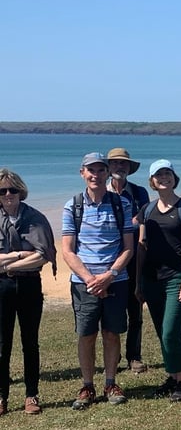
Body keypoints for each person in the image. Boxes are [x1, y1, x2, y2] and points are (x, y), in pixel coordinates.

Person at [61, 152, 133, 410]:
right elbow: (68, 250)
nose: (95, 175)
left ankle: (111, 382)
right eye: (90, 170)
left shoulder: (121, 204)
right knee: (87, 334)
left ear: (107, 173)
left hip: (116, 279)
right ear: (82, 173)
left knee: (112, 333)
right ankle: (87, 385)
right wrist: (92, 280)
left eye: (100, 170)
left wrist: (109, 276)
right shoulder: (73, 206)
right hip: (84, 283)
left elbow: (128, 248)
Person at [135, 160, 181, 402]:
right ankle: (172, 377)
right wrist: (138, 283)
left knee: (172, 331)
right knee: (162, 333)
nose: (164, 177)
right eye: (158, 174)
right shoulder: (147, 211)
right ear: (152, 181)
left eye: (168, 173)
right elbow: (142, 246)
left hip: (177, 278)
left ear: (174, 178)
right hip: (152, 280)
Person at [0, 169, 56, 416]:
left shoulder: (36, 217)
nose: (8, 194)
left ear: (21, 191)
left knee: (30, 342)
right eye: (2, 190)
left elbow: (43, 255)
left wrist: (8, 264)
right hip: (2, 287)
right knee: (2, 344)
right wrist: (20, 254)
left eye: (13, 189)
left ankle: (31, 395)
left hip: (30, 285)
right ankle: (1, 396)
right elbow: (32, 254)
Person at [107, 147, 150, 374]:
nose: (120, 167)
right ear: (108, 167)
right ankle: (111, 357)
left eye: (123, 164)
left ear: (129, 169)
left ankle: (134, 356)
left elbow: (142, 220)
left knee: (135, 309)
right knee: (109, 312)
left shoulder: (139, 193)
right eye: (115, 163)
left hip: (133, 259)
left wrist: (118, 227)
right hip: (106, 261)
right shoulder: (98, 192)